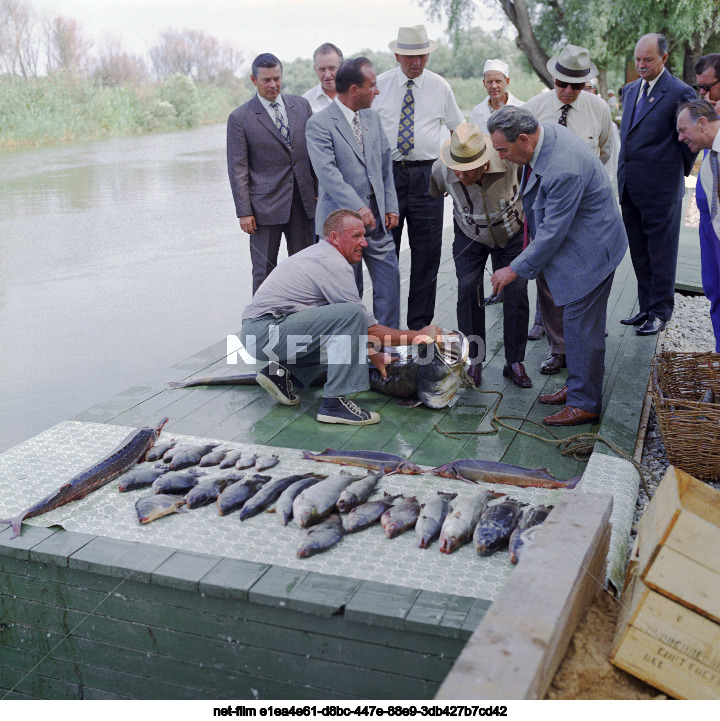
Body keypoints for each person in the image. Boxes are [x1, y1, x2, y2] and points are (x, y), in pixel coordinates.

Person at [488, 107, 628, 426]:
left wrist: (513, 269)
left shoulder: (564, 167)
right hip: (581, 242)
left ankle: (585, 403)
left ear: (524, 139)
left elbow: (553, 232)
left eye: (503, 149)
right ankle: (579, 386)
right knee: (575, 326)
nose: (501, 156)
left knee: (582, 328)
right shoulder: (543, 134)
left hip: (593, 250)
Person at [240, 209, 441, 425]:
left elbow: (346, 329)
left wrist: (374, 355)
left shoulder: (321, 254)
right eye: (356, 236)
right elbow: (366, 327)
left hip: (262, 332)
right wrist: (418, 336)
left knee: (343, 326)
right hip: (265, 331)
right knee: (352, 313)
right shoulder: (332, 264)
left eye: (363, 236)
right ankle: (334, 404)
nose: (364, 243)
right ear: (334, 237)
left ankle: (281, 375)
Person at [523, 44, 617, 376]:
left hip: (587, 212)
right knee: (550, 279)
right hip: (548, 207)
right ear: (553, 77)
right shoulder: (533, 108)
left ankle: (584, 343)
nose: (567, 91)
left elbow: (605, 151)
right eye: (561, 84)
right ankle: (559, 348)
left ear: (585, 84)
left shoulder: (598, 108)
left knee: (588, 277)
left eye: (575, 86)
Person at [374, 25, 465, 330]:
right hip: (388, 179)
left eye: (422, 55)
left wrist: (458, 172)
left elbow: (459, 132)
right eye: (410, 56)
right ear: (397, 54)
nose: (417, 61)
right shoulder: (379, 86)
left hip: (429, 177)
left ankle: (418, 330)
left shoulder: (440, 87)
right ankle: (385, 329)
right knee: (386, 256)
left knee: (426, 257)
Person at [429, 123, 530, 388]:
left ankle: (515, 362)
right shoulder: (441, 170)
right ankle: (474, 360)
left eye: (468, 169)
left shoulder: (510, 162)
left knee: (516, 291)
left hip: (511, 234)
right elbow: (436, 192)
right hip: (469, 236)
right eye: (456, 168)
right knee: (467, 290)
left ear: (485, 163)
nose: (460, 175)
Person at [306, 57, 401, 328]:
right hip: (340, 225)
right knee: (347, 294)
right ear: (353, 90)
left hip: (379, 222)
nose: (377, 91)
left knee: (389, 288)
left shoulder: (372, 117)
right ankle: (354, 355)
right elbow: (328, 175)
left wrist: (390, 204)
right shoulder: (319, 124)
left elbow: (385, 166)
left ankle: (389, 353)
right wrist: (359, 208)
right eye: (372, 85)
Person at [618, 33, 697, 335]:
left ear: (664, 58)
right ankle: (646, 308)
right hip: (629, 188)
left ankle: (661, 312)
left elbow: (689, 142)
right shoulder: (629, 90)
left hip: (662, 191)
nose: (641, 65)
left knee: (661, 253)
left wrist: (673, 174)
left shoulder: (680, 92)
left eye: (647, 60)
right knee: (639, 252)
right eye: (638, 59)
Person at [227, 53, 316, 294]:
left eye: (277, 78)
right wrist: (244, 212)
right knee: (264, 271)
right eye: (266, 80)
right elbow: (237, 169)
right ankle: (262, 325)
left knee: (305, 268)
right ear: (254, 80)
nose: (273, 85)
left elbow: (314, 153)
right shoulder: (240, 118)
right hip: (264, 208)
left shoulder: (301, 106)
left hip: (303, 203)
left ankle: (304, 321)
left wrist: (316, 192)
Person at [676, 100, 720, 351]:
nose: (680, 138)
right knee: (715, 291)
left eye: (683, 130)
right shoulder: (709, 155)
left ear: (703, 123)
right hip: (714, 232)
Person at [469, 58, 525, 134]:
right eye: (489, 82)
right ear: (484, 83)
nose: (494, 86)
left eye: (498, 81)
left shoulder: (522, 109)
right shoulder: (477, 112)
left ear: (507, 82)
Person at [303, 43, 343, 114]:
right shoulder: (306, 102)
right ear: (315, 69)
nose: (327, 75)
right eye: (322, 69)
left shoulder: (356, 95)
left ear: (342, 67)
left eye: (332, 68)